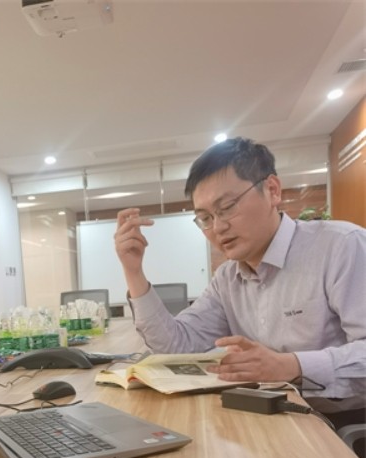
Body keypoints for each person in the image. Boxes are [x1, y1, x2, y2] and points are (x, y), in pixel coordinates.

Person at [114, 137, 366, 436]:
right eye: (205, 218)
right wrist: (133, 271)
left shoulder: (341, 246)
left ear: (272, 190)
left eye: (227, 207)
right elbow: (176, 346)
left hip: (343, 423)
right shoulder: (227, 277)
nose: (217, 227)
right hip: (269, 416)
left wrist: (291, 365)